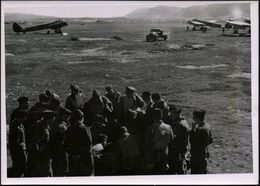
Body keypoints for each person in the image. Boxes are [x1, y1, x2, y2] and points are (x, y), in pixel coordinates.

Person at [65, 109, 94, 176]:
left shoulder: (69, 129)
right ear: (82, 117)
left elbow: (66, 146)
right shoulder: (85, 128)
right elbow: (89, 144)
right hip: (85, 160)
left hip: (73, 160)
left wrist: (74, 155)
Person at [143, 108, 173, 175]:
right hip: (165, 154)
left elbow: (148, 145)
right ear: (161, 116)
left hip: (154, 155)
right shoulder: (168, 127)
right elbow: (171, 141)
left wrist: (149, 161)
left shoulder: (151, 128)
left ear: (152, 117)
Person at [31, 110, 55, 177]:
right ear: (48, 119)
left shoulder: (46, 126)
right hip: (42, 155)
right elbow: (36, 141)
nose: (53, 120)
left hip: (45, 154)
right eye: (52, 118)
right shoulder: (41, 127)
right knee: (43, 173)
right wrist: (40, 150)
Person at [167, 106, 189, 174]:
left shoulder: (180, 125)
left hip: (177, 154)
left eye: (171, 113)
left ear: (175, 113)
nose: (169, 115)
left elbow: (177, 142)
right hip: (179, 153)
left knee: (178, 171)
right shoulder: (183, 122)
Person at [49, 107, 72, 177]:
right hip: (60, 150)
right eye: (67, 116)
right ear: (63, 115)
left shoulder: (56, 123)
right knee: (61, 170)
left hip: (56, 150)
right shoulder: (61, 125)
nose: (68, 117)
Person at [189, 109, 212, 174]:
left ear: (197, 118)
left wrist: (192, 131)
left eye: (193, 116)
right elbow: (210, 140)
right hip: (203, 154)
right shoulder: (207, 126)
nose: (192, 118)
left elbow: (192, 142)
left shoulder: (200, 129)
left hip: (197, 156)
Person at [8, 110, 27, 177]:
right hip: (18, 150)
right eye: (24, 117)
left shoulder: (20, 124)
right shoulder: (16, 126)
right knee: (19, 168)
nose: (25, 118)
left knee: (21, 167)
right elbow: (15, 142)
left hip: (21, 149)